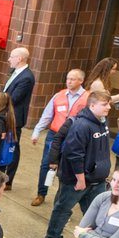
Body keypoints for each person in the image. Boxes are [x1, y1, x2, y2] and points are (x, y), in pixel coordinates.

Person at [42, 90, 112, 238]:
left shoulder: (102, 122)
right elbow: (74, 154)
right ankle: (52, 237)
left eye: (109, 104)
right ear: (92, 106)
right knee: (64, 208)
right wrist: (80, 179)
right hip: (77, 179)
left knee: (95, 212)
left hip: (96, 179)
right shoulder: (81, 125)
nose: (109, 107)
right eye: (104, 104)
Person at [29, 68, 88, 206]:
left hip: (74, 136)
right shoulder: (59, 95)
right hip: (55, 135)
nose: (69, 81)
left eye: (73, 79)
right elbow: (47, 115)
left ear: (81, 81)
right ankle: (41, 193)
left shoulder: (87, 98)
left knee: (67, 168)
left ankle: (61, 199)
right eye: (68, 78)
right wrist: (37, 131)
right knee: (46, 164)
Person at [0, 48, 36, 185]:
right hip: (6, 115)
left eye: (11, 56)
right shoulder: (15, 72)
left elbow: (14, 98)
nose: (9, 59)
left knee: (12, 148)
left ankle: (8, 179)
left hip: (14, 118)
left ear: (19, 58)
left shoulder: (26, 77)